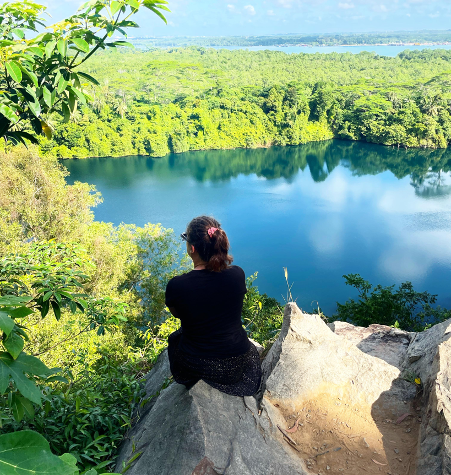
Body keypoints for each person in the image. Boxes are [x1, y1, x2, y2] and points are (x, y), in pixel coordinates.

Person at [165, 216, 262, 396]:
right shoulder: (237, 274)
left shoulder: (177, 286)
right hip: (237, 361)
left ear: (192, 248)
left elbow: (177, 314)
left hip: (199, 365)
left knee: (175, 338)